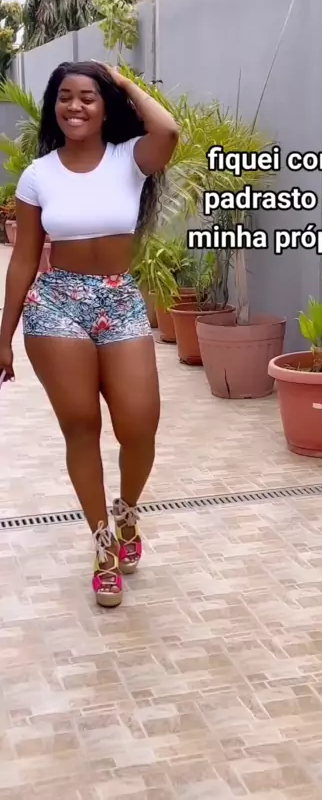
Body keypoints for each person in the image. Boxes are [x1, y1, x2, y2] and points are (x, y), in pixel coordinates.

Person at [0, 60, 179, 608]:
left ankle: (127, 512)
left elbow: (168, 131)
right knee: (81, 426)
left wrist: (122, 81)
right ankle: (103, 546)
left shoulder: (131, 159)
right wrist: (4, 335)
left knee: (139, 426)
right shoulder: (38, 175)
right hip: (57, 306)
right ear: (53, 106)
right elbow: (24, 258)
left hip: (119, 300)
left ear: (105, 108)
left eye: (87, 97)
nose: (74, 106)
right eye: (64, 97)